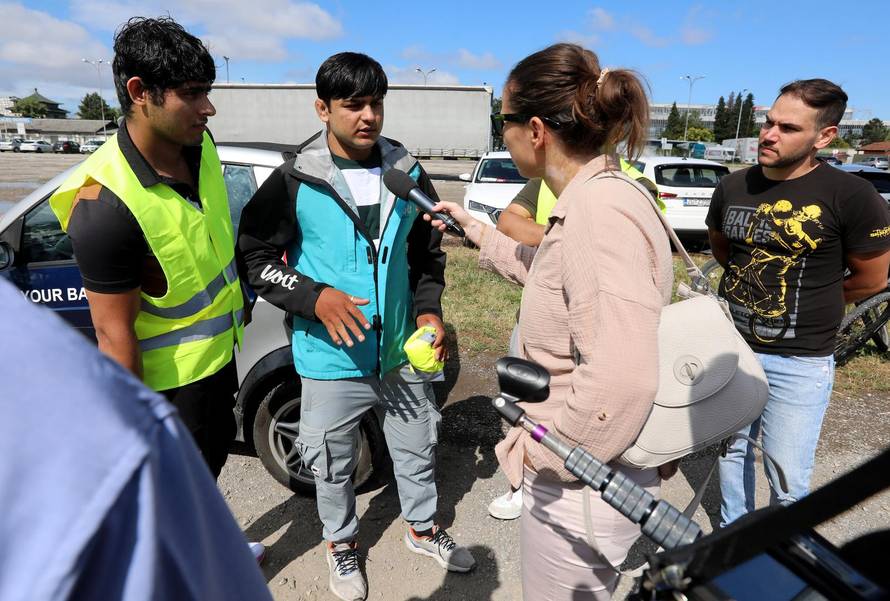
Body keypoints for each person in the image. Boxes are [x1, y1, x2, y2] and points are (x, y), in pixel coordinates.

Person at [423, 43, 674, 600]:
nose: (503, 134)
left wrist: (541, 455)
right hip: (591, 471)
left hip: (581, 479)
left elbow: (621, 380)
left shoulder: (596, 216)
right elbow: (553, 274)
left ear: (535, 130)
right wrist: (475, 228)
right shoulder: (600, 195)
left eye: (503, 121)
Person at [237, 52, 474, 601]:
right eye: (352, 105)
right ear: (322, 108)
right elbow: (255, 257)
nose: (368, 116)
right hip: (330, 356)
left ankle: (422, 528)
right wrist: (313, 298)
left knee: (418, 447)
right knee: (332, 461)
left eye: (376, 103)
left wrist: (429, 312)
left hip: (399, 352)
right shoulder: (296, 177)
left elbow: (425, 256)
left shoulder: (407, 173)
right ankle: (340, 542)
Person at [48, 17, 263, 562]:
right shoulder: (102, 206)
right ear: (138, 93)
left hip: (219, 366)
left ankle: (208, 544)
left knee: (204, 477)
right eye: (192, 95)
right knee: (162, 505)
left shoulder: (199, 144)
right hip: (169, 395)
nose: (208, 108)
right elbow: (112, 336)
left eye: (207, 92)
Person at [0, 279, 273, 601]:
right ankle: (209, 552)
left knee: (206, 461)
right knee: (172, 489)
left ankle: (215, 546)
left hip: (210, 357)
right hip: (168, 374)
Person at [706, 79, 890, 526]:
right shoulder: (732, 186)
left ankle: (781, 551)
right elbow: (723, 251)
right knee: (734, 452)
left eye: (787, 128)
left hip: (800, 360)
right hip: (733, 350)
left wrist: (818, 299)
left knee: (787, 472)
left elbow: (872, 278)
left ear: (824, 136)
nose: (769, 135)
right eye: (768, 122)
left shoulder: (851, 196)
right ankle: (732, 540)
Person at [489, 171, 659, 520]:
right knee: (527, 405)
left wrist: (567, 238)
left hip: (591, 328)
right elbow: (508, 223)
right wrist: (561, 238)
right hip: (543, 322)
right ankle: (522, 482)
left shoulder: (635, 183)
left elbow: (631, 246)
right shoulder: (547, 179)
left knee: (590, 406)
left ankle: (574, 485)